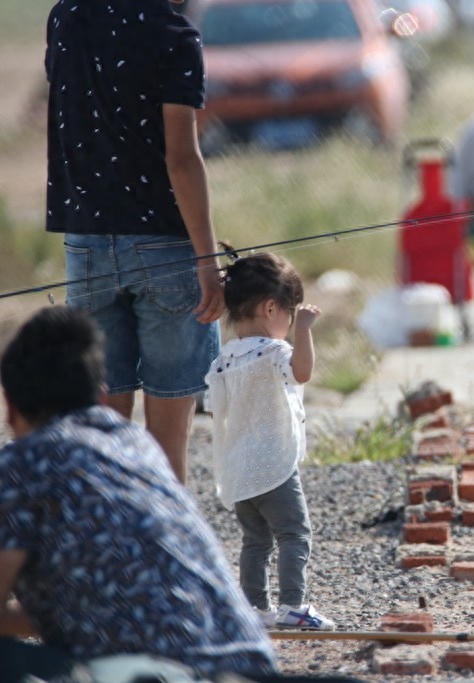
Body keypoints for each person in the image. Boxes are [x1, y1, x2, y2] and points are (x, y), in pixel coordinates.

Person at [0, 306, 277, 680]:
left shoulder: (21, 464)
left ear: (10, 409)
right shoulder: (135, 443)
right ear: (101, 398)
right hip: (251, 668)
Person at [45, 0, 225, 484]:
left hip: (86, 244)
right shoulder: (174, 34)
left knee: (104, 430)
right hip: (165, 247)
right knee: (168, 442)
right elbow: (182, 158)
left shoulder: (67, 17)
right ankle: (164, 551)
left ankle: (110, 550)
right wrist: (207, 256)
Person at [205, 252, 335, 632]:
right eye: (290, 314)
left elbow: (215, 409)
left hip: (238, 468)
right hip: (274, 465)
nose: (291, 321)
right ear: (271, 307)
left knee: (255, 542)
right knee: (295, 533)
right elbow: (303, 373)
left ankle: (255, 609)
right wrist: (306, 331)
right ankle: (293, 606)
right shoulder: (275, 350)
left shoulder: (223, 360)